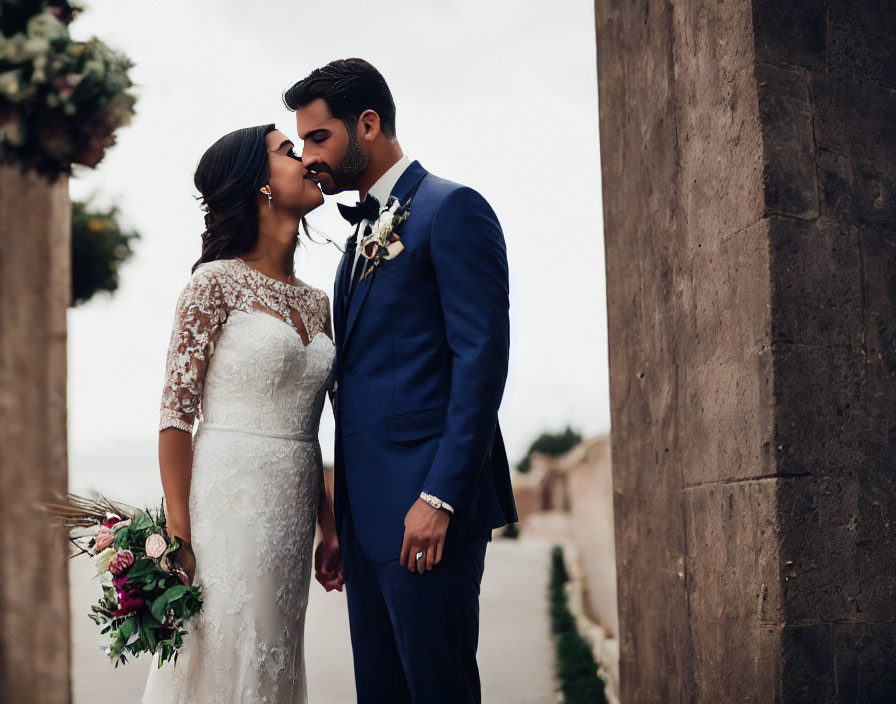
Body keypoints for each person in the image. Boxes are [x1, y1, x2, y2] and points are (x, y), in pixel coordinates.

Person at [285, 58, 518, 704]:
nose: (308, 158)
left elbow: (481, 360)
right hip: (367, 527)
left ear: (368, 123)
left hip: (427, 518)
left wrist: (439, 498)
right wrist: (340, 523)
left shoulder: (453, 211)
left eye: (318, 138)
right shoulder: (357, 243)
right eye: (300, 142)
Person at [140, 124, 344, 704]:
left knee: (275, 659)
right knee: (223, 652)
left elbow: (313, 428)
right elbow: (176, 417)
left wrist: (330, 526)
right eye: (288, 151)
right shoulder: (213, 284)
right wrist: (178, 530)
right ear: (261, 185)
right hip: (227, 507)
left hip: (294, 511)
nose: (305, 158)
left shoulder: (317, 301)